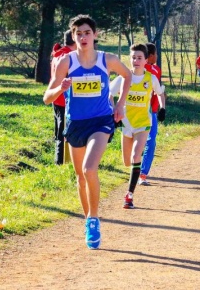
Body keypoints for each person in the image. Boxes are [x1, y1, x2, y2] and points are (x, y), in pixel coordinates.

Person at [43, 14, 132, 250]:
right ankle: (87, 221)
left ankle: (94, 219)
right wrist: (59, 89)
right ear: (73, 37)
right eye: (78, 34)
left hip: (101, 121)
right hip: (75, 124)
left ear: (95, 35)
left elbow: (127, 75)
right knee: (80, 178)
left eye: (87, 33)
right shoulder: (66, 62)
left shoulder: (107, 60)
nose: (83, 37)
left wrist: (121, 104)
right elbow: (46, 97)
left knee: (89, 169)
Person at [110, 44, 165, 209]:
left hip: (143, 123)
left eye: (139, 58)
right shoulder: (123, 78)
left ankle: (129, 195)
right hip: (126, 123)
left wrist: (162, 108)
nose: (136, 61)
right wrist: (114, 109)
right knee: (127, 161)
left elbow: (160, 93)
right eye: (133, 57)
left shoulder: (151, 78)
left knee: (136, 156)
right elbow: (109, 94)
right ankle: (134, 175)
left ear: (146, 60)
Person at [138, 43, 166, 186]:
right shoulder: (142, 70)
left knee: (149, 141)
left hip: (152, 110)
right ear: (150, 56)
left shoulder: (156, 69)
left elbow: (158, 90)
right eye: (156, 54)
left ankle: (142, 173)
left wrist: (161, 107)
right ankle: (141, 173)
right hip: (141, 110)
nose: (157, 56)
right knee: (148, 141)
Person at [51, 30, 77, 165]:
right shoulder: (68, 57)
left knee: (58, 132)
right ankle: (61, 162)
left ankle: (60, 160)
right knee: (63, 133)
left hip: (56, 99)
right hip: (64, 100)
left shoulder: (58, 54)